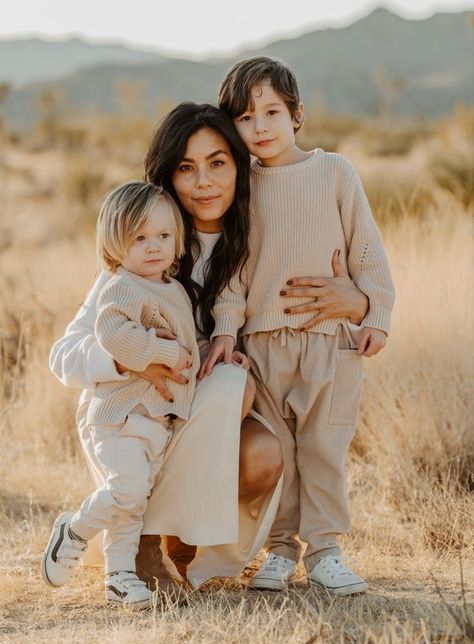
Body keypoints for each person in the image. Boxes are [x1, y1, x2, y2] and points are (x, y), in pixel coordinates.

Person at [49, 102, 369, 592]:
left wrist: (360, 301)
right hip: (130, 417)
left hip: (198, 414)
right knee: (227, 387)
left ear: (241, 166)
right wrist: (129, 358)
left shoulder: (257, 241)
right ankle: (145, 537)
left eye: (218, 162)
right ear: (168, 177)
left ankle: (186, 541)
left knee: (256, 437)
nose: (204, 182)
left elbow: (332, 284)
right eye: (186, 167)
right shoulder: (149, 247)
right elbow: (64, 356)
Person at [202, 57, 395, 595]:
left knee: (324, 448)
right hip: (262, 344)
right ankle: (281, 549)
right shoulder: (243, 188)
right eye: (244, 118)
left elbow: (368, 253)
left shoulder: (334, 171)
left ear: (297, 114)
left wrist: (375, 313)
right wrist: (224, 329)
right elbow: (233, 276)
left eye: (271, 112)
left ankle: (327, 549)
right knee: (282, 454)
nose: (259, 127)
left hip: (330, 343)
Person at [42, 181, 212, 607]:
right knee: (127, 491)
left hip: (155, 420)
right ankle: (75, 530)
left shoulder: (171, 289)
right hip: (120, 414)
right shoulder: (119, 286)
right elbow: (116, 336)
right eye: (139, 238)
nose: (153, 247)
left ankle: (119, 577)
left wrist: (197, 355)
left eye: (162, 237)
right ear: (115, 243)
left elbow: (188, 343)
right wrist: (165, 352)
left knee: (133, 505)